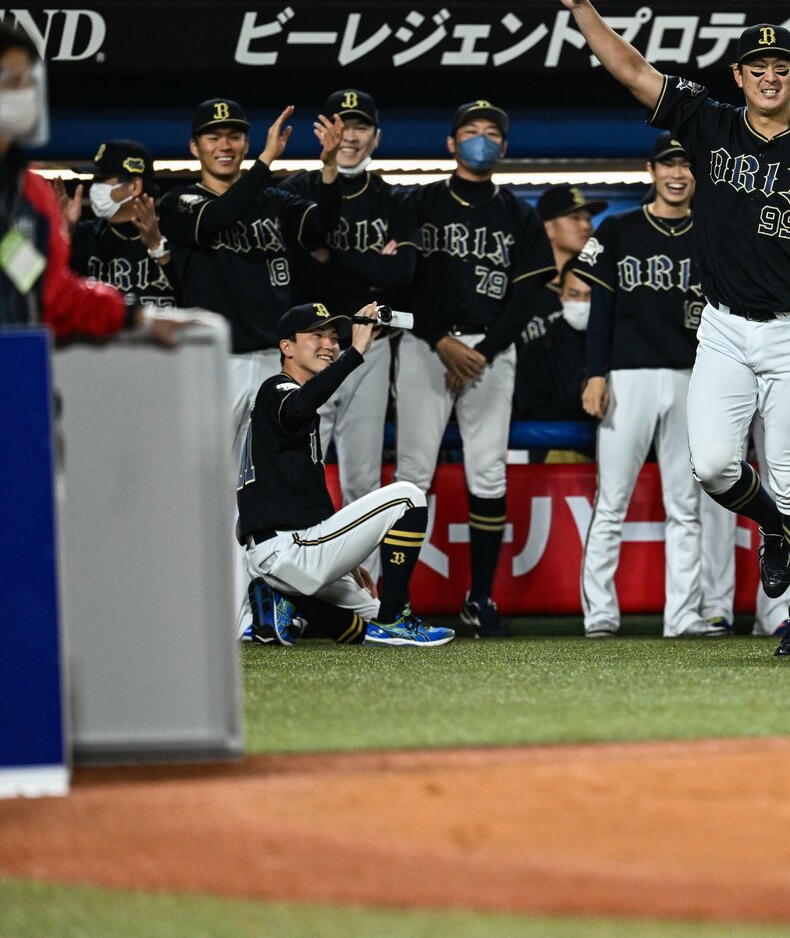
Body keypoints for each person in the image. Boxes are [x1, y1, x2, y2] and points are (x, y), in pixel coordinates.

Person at [546, 0, 790, 656]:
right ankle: (773, 527)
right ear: (738, 76)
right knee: (712, 466)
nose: (769, 76)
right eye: (756, 68)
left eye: (781, 68)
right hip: (723, 329)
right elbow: (633, 71)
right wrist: (583, 8)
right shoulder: (709, 125)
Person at [396, 99, 556, 638]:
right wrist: (440, 338)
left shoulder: (519, 213)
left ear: (504, 147)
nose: (481, 139)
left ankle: (480, 598)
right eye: (471, 131)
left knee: (487, 472)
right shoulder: (418, 202)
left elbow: (527, 293)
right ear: (451, 141)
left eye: (492, 132)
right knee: (412, 476)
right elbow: (402, 281)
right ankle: (394, 601)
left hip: (491, 349)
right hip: (425, 346)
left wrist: (482, 351)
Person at [574, 132, 722, 638]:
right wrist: (595, 373)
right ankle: (599, 615)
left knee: (686, 504)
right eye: (668, 164)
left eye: (686, 165)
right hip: (629, 377)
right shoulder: (617, 229)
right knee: (611, 500)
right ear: (651, 170)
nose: (677, 174)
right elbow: (601, 312)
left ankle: (682, 616)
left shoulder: (714, 232)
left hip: (692, 378)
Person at [238, 302, 453, 647]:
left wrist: (346, 556)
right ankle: (397, 618)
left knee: (368, 618)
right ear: (287, 347)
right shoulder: (275, 389)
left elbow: (303, 491)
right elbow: (297, 406)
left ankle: (288, 598)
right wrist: (354, 353)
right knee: (408, 497)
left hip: (292, 547)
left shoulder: (294, 404)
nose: (329, 343)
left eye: (333, 336)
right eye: (316, 335)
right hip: (283, 547)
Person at [159, 98, 346, 458]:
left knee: (272, 470)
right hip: (215, 359)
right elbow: (218, 217)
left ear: (245, 143)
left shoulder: (272, 200)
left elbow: (321, 224)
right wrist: (265, 161)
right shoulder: (178, 202)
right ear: (194, 147)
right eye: (213, 137)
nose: (224, 145)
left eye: (234, 136)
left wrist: (330, 167)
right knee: (212, 467)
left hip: (270, 359)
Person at [282, 90, 417, 546]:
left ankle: (366, 599)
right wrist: (365, 272)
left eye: (360, 126)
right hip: (307, 347)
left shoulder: (394, 199)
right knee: (295, 471)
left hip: (368, 345)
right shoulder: (299, 190)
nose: (350, 136)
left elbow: (401, 272)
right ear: (323, 132)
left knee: (362, 480)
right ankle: (295, 593)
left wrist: (330, 258)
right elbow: (300, 268)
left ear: (376, 136)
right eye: (341, 125)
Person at [1, 22, 183, 344]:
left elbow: (50, 292)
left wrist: (137, 315)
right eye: (13, 81)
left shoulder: (29, 194)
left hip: (20, 370)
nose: (24, 93)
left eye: (28, 81)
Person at [69, 140, 177, 309]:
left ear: (134, 187)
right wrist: (62, 231)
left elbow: (196, 295)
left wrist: (158, 248)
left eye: (102, 180)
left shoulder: (177, 231)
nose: (94, 187)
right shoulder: (84, 234)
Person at [512, 267, 593, 423]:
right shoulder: (537, 352)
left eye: (590, 295)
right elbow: (531, 415)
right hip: (554, 444)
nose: (582, 304)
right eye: (574, 295)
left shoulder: (619, 349)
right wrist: (580, 399)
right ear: (561, 296)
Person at [529, 184, 607, 340]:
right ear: (547, 228)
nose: (586, 226)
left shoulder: (600, 286)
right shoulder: (525, 288)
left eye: (588, 219)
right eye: (575, 218)